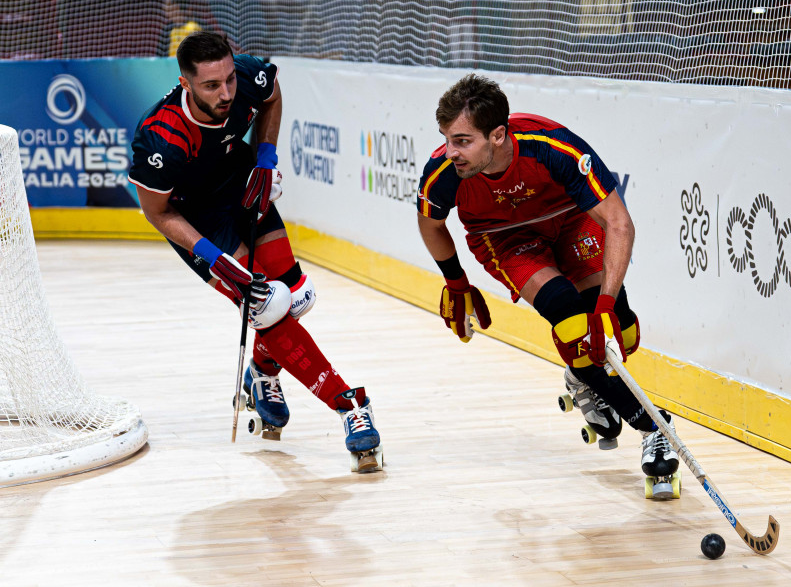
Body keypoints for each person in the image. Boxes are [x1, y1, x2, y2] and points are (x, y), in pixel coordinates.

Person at [415, 74, 679, 498]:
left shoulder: (554, 148)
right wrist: (456, 281)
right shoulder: (445, 171)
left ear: (498, 134)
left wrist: (609, 304)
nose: (451, 152)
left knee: (612, 320)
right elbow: (430, 223)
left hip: (571, 221)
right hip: (506, 239)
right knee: (572, 322)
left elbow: (618, 222)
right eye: (447, 139)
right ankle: (653, 425)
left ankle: (583, 377)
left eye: (463, 141)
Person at [128, 31, 382, 472]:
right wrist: (211, 255)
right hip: (199, 220)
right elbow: (156, 212)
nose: (226, 92)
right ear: (186, 84)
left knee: (297, 296)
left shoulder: (244, 76)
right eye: (211, 86)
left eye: (228, 79)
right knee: (271, 309)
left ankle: (261, 374)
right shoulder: (159, 140)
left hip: (242, 184)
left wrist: (265, 157)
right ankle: (350, 405)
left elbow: (272, 94)